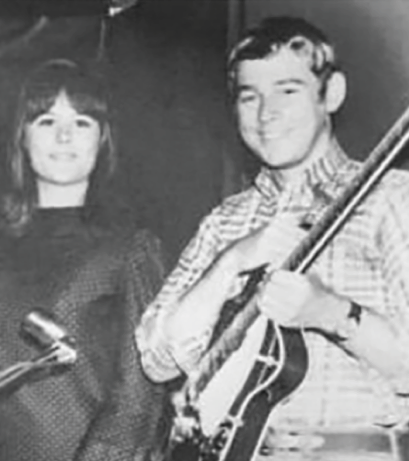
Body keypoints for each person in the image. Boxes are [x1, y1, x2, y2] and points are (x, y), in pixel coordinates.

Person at [135, 16, 409, 461]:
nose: (267, 113)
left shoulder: (391, 198)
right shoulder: (225, 221)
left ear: (331, 94)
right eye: (250, 96)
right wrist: (232, 260)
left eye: (288, 90)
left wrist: (331, 313)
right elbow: (157, 358)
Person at [0, 59, 171, 461]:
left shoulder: (130, 247)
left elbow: (138, 398)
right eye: (46, 121)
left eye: (81, 122)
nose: (64, 136)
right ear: (23, 138)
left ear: (102, 139)